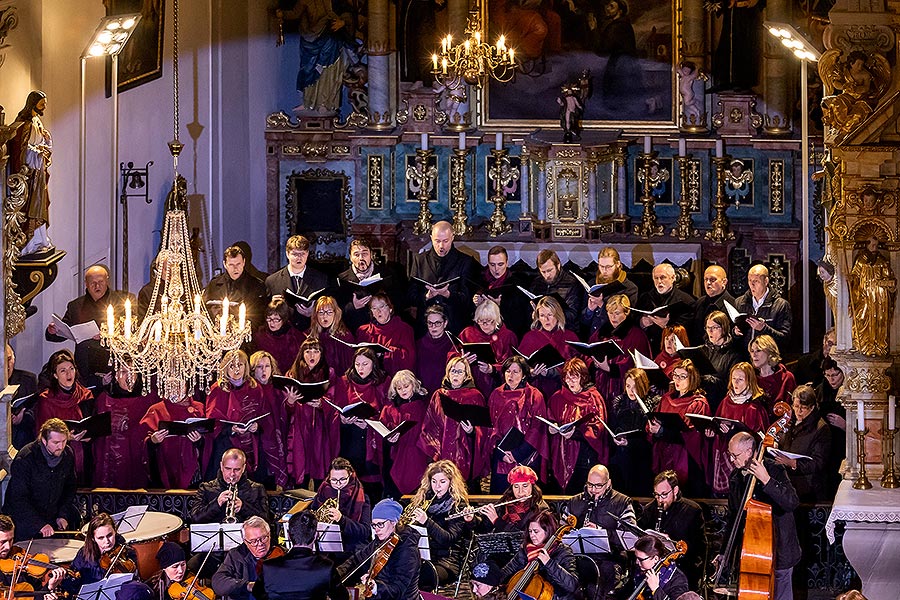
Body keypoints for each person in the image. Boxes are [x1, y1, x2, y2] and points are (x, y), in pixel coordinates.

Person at [722, 431, 800, 600]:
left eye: (735, 455)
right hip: (753, 553)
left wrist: (767, 480)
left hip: (779, 551)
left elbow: (791, 502)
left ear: (749, 452)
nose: (731, 460)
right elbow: (733, 517)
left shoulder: (774, 469)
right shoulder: (736, 476)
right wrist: (724, 553)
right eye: (730, 455)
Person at [45, 264, 134, 388]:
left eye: (101, 282)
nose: (97, 286)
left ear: (107, 280)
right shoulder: (75, 306)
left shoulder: (121, 302)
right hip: (85, 367)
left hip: (113, 364)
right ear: (86, 284)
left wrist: (112, 335)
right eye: (93, 283)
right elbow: (64, 332)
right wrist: (52, 331)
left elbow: (134, 331)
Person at [565, 465, 636, 600]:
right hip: (578, 558)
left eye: (598, 486)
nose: (593, 490)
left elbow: (630, 537)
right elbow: (561, 532)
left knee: (599, 587)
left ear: (608, 483)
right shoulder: (574, 502)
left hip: (609, 560)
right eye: (590, 485)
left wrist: (601, 532)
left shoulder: (622, 502)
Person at [3, 419, 79, 540]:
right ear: (44, 440)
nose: (61, 446)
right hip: (24, 523)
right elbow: (18, 498)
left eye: (64, 441)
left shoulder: (67, 454)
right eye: (56, 442)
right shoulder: (25, 458)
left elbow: (70, 487)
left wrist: (62, 514)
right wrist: (39, 524)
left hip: (51, 518)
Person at [419, 356, 488, 488]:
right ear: (447, 372)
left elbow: (484, 429)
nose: (455, 374)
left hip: (466, 454)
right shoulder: (438, 395)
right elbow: (430, 426)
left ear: (466, 375)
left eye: (460, 371)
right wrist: (434, 454)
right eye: (452, 370)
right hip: (442, 453)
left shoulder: (475, 395)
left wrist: (472, 432)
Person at [253, 511, 348, 600]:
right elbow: (342, 597)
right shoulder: (326, 567)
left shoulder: (268, 567)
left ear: (289, 536)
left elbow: (257, 594)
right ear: (316, 535)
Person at [337, 499, 421, 600]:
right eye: (374, 525)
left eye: (380, 524)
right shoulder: (380, 541)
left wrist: (376, 587)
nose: (376, 529)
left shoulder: (408, 549)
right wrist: (335, 574)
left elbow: (398, 589)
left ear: (393, 522)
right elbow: (356, 560)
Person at [649, 360, 710, 497]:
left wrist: (663, 431)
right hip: (665, 453)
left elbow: (692, 436)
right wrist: (653, 428)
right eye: (675, 375)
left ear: (692, 378)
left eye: (683, 376)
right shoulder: (666, 399)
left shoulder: (698, 403)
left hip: (686, 459)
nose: (677, 380)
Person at [407, 460, 474, 585]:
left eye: (442, 482)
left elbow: (448, 539)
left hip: (447, 561)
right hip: (421, 557)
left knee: (419, 578)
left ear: (451, 483)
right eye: (434, 481)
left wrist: (427, 522)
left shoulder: (458, 505)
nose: (437, 487)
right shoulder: (423, 501)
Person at [636, 470, 706, 590]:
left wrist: (671, 542)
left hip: (682, 567)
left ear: (675, 490)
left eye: (664, 494)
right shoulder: (650, 509)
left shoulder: (693, 510)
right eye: (656, 495)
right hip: (653, 566)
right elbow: (640, 535)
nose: (660, 500)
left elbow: (699, 548)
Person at [487, 356, 547, 493]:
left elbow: (537, 428)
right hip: (501, 456)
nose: (511, 375)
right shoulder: (496, 394)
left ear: (524, 374)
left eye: (516, 371)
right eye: (508, 371)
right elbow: (489, 428)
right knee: (501, 498)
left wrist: (517, 454)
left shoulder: (534, 395)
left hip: (527, 455)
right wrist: (500, 453)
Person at [547, 358, 608, 493]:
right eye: (567, 377)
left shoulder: (593, 398)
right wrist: (551, 427)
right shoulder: (557, 397)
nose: (570, 381)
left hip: (584, 457)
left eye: (574, 377)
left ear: (583, 377)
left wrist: (576, 434)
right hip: (561, 455)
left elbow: (598, 428)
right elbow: (550, 418)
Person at [333, 348, 388, 493]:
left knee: (371, 489)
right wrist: (343, 420)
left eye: (365, 364)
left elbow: (388, 411)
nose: (360, 368)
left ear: (374, 364)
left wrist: (370, 423)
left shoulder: (383, 382)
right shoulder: (345, 382)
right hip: (350, 440)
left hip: (372, 441)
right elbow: (335, 408)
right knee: (350, 487)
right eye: (357, 364)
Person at [407, 221, 477, 335]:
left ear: (452, 238)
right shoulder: (420, 260)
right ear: (431, 238)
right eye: (437, 241)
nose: (441, 246)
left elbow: (467, 299)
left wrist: (448, 295)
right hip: (426, 327)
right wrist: (426, 296)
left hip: (454, 325)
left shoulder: (465, 261)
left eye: (445, 241)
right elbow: (411, 296)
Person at [709, 362, 769, 496]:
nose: (736, 382)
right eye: (734, 378)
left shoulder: (754, 407)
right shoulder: (725, 401)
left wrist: (734, 433)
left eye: (740, 379)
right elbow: (717, 422)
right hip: (724, 454)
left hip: (743, 459)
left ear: (749, 381)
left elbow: (760, 438)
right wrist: (713, 431)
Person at [34, 349, 93, 483]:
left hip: (84, 455)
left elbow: (93, 425)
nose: (68, 374)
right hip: (57, 459)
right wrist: (67, 437)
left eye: (71, 368)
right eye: (62, 370)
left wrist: (89, 436)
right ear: (55, 375)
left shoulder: (86, 395)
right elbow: (42, 434)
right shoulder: (46, 399)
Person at [139, 379, 210, 489]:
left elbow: (209, 439)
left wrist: (199, 441)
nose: (175, 389)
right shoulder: (156, 409)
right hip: (163, 468)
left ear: (187, 386)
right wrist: (153, 441)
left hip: (193, 470)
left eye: (179, 385)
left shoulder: (199, 408)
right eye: (170, 385)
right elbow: (142, 441)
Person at [92, 363, 154, 489]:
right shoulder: (104, 399)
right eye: (124, 372)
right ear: (116, 376)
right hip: (111, 462)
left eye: (133, 372)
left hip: (138, 460)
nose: (129, 376)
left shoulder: (148, 399)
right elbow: (98, 438)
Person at [205, 350, 266, 476]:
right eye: (232, 366)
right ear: (225, 368)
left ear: (246, 367)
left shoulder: (255, 387)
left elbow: (264, 416)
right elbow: (212, 421)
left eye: (240, 365)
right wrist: (231, 429)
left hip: (251, 443)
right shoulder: (218, 389)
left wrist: (257, 427)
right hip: (226, 443)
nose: (236, 370)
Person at [285, 338, 336, 488]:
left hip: (320, 427)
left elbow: (334, 398)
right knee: (300, 467)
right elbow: (286, 409)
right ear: (302, 354)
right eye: (307, 351)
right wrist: (291, 401)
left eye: (316, 351)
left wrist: (322, 403)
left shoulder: (329, 372)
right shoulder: (292, 374)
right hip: (300, 426)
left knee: (320, 466)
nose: (311, 355)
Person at [6, 90, 53, 255]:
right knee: (32, 207)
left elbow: (41, 142)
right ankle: (29, 243)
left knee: (40, 206)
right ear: (33, 104)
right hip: (30, 175)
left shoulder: (36, 121)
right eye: (42, 105)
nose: (44, 108)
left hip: (39, 172)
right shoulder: (26, 124)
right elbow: (24, 151)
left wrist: (46, 143)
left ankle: (40, 239)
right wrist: (39, 152)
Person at [498, 510, 579, 600]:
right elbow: (507, 570)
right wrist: (491, 583)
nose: (532, 535)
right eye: (530, 531)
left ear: (548, 531)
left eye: (536, 531)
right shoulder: (526, 550)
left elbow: (572, 585)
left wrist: (549, 563)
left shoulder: (563, 551)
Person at [773, 385, 832, 503]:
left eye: (803, 408)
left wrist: (793, 463)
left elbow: (818, 463)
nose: (798, 411)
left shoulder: (821, 428)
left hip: (808, 489)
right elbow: (782, 439)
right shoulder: (789, 421)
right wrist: (776, 444)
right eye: (795, 406)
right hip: (787, 484)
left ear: (812, 407)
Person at [337, 236, 407, 332]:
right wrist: (353, 306)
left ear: (371, 255)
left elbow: (400, 301)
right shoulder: (342, 278)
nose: (361, 258)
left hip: (382, 329)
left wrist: (385, 301)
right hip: (355, 328)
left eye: (365, 254)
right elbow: (336, 308)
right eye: (356, 255)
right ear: (350, 257)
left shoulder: (387, 274)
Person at [379, 370, 431, 497]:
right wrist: (389, 440)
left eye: (406, 386)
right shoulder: (389, 409)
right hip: (396, 457)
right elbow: (381, 432)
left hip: (418, 454)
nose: (403, 390)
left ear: (414, 385)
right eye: (399, 388)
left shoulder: (425, 406)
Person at [590, 294, 651, 403]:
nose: (613, 317)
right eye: (610, 313)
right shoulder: (602, 332)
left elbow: (638, 365)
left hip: (623, 389)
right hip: (601, 385)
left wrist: (610, 368)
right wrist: (594, 363)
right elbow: (588, 351)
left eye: (617, 313)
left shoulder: (636, 335)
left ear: (626, 313)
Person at [307, 457, 372, 557]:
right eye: (333, 480)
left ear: (350, 476)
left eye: (342, 479)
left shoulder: (362, 497)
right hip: (324, 546)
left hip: (351, 547)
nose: (338, 484)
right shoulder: (321, 493)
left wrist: (342, 519)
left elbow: (365, 531)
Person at [518, 296, 579, 401]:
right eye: (542, 315)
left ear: (558, 315)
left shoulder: (570, 337)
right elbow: (519, 367)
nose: (546, 319)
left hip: (564, 392)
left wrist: (552, 372)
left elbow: (578, 368)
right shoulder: (530, 337)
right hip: (534, 394)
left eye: (550, 315)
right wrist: (531, 373)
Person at [607, 368, 657, 496]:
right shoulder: (619, 403)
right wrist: (616, 438)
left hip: (642, 458)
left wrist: (629, 443)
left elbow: (650, 439)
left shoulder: (651, 404)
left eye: (634, 386)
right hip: (621, 457)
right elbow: (613, 426)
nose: (631, 390)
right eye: (628, 386)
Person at [265, 235, 331, 331]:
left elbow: (329, 310)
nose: (299, 258)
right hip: (285, 335)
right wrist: (272, 304)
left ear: (307, 254)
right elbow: (265, 312)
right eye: (295, 254)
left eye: (302, 254)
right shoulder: (272, 281)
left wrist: (312, 313)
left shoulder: (321, 279)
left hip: (312, 332)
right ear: (287, 254)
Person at [189, 448, 271, 524]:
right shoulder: (205, 488)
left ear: (243, 468)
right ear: (221, 466)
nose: (232, 474)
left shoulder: (257, 489)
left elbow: (266, 521)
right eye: (228, 468)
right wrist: (217, 503)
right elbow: (195, 519)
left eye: (237, 469)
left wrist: (243, 507)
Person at [459, 299, 519, 399]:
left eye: (489, 321)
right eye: (480, 321)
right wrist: (462, 361)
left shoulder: (508, 336)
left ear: (496, 319)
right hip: (470, 385)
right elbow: (452, 356)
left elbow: (513, 364)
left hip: (497, 387)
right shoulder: (467, 333)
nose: (484, 325)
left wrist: (493, 369)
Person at [849, 236, 896, 356]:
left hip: (880, 297)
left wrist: (888, 283)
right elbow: (855, 275)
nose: (875, 248)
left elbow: (889, 278)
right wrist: (851, 279)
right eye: (872, 245)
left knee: (880, 320)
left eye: (876, 245)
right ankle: (863, 345)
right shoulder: (861, 260)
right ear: (867, 245)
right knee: (862, 317)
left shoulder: (882, 261)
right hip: (865, 296)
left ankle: (879, 345)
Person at [248, 351, 289, 490]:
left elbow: (286, 416)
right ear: (253, 370)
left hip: (276, 440)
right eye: (259, 367)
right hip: (255, 442)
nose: (264, 370)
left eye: (267, 366)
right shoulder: (250, 389)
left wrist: (290, 403)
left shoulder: (279, 389)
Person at [212, 516, 279, 600]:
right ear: (245, 541)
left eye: (264, 538)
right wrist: (247, 585)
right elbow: (218, 582)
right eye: (254, 541)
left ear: (269, 535)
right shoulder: (236, 555)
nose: (260, 544)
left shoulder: (281, 553)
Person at [580, 247, 639, 339]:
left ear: (618, 264)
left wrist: (601, 305)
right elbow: (582, 320)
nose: (604, 271)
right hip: (592, 336)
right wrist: (589, 311)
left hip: (614, 337)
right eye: (601, 266)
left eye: (608, 267)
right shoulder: (592, 284)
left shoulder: (630, 288)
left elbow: (627, 321)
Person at [473, 245, 532, 338]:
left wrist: (501, 305)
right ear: (488, 264)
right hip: (483, 332)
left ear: (507, 263)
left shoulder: (517, 283)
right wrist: (478, 305)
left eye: (500, 264)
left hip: (508, 332)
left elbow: (522, 315)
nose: (496, 269)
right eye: (492, 265)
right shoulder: (480, 281)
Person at [636, 263, 695, 354]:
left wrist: (666, 326)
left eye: (663, 277)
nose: (659, 281)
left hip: (672, 353)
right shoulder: (645, 298)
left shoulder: (686, 301)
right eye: (656, 278)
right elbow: (633, 321)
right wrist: (642, 323)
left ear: (673, 278)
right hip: (647, 349)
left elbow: (687, 332)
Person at [203, 245, 268, 327]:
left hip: (246, 335)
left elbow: (260, 317)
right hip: (217, 334)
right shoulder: (214, 285)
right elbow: (204, 310)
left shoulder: (256, 286)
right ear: (224, 264)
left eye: (238, 264)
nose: (235, 268)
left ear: (244, 262)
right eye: (231, 265)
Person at [733, 264, 793, 351]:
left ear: (766, 281)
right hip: (745, 359)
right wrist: (735, 333)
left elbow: (785, 339)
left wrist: (764, 329)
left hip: (768, 360)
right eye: (750, 280)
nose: (752, 285)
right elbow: (731, 337)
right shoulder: (739, 302)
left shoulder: (781, 305)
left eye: (756, 281)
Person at [357, 292, 416, 377]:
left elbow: (410, 359)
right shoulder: (363, 331)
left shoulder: (404, 329)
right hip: (372, 379)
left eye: (381, 307)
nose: (378, 311)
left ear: (390, 308)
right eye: (374, 308)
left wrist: (385, 353)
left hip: (397, 380)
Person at [0, 514, 65, 591]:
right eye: (2, 542)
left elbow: (33, 592)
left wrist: (49, 588)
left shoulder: (18, 555)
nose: (8, 547)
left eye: (11, 540)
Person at [478, 465, 549, 533]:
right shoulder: (505, 502)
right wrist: (472, 520)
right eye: (516, 486)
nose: (520, 492)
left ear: (532, 487)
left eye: (525, 486)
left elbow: (523, 536)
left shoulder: (541, 509)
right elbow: (482, 530)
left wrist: (497, 521)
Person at [71, 513, 137, 584]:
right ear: (93, 539)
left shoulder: (125, 550)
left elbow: (134, 578)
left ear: (115, 531)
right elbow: (73, 578)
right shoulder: (83, 554)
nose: (107, 541)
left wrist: (119, 565)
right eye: (101, 538)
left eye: (110, 535)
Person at [530, 249, 583, 330]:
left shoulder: (571, 283)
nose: (547, 275)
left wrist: (552, 314)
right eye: (543, 272)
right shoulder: (537, 283)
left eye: (550, 270)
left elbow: (573, 314)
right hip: (542, 330)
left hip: (565, 330)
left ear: (558, 265)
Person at [701, 310, 742, 413]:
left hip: (719, 404)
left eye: (714, 327)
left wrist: (707, 379)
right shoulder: (702, 350)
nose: (710, 331)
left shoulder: (734, 354)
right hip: (701, 402)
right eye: (708, 327)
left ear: (723, 328)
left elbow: (730, 385)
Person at [250, 299, 305, 375]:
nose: (272, 323)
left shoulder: (296, 337)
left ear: (284, 319)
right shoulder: (260, 335)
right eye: (269, 318)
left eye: (276, 319)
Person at [307, 295, 356, 377]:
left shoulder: (345, 337)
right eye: (321, 312)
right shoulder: (310, 336)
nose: (324, 316)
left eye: (329, 312)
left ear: (336, 314)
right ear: (316, 315)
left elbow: (349, 368)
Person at [629, 534, 689, 600]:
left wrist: (656, 589)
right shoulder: (640, 570)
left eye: (641, 559)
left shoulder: (678, 580)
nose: (637, 562)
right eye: (636, 558)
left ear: (656, 559)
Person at [749, 335, 796, 416]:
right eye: (752, 351)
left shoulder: (787, 378)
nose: (754, 355)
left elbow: (792, 410)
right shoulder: (751, 377)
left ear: (769, 352)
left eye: (758, 351)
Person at [415, 305, 455, 393]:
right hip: (423, 392)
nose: (433, 327)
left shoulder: (453, 344)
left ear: (445, 323)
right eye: (430, 323)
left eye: (437, 323)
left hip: (446, 392)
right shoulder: (419, 344)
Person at [6, 343, 38, 451]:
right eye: (3, 361)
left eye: (9, 359)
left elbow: (36, 411)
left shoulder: (28, 380)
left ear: (14, 359)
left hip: (22, 439)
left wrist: (22, 417)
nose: (7, 365)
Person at [692, 265, 736, 343]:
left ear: (724, 282)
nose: (708, 283)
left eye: (712, 280)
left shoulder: (733, 304)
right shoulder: (699, 303)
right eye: (706, 279)